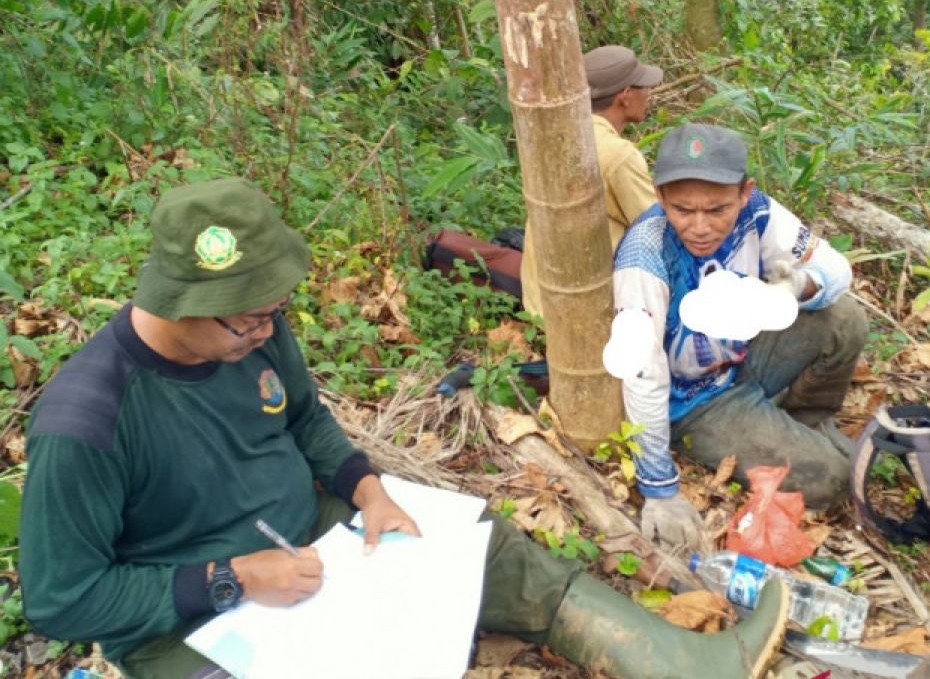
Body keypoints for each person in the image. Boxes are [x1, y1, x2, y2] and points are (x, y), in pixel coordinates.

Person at [19, 177, 789, 679]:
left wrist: (368, 490)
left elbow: (306, 422)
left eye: (271, 312)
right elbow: (63, 601)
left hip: (307, 536)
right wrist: (230, 579)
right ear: (181, 303)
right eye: (249, 318)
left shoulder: (255, 328)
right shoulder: (87, 421)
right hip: (187, 616)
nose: (266, 331)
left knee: (477, 543)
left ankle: (684, 664)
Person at [613, 124, 868, 551]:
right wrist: (659, 488)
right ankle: (760, 436)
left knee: (844, 317)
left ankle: (805, 421)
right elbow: (643, 373)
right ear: (659, 197)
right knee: (836, 481)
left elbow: (836, 268)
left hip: (741, 358)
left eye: (716, 210)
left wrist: (799, 286)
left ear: (744, 192)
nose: (698, 226)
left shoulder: (759, 213)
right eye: (682, 210)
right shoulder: (645, 253)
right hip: (694, 402)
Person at [521, 44, 663, 318]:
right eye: (643, 87)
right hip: (589, 310)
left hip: (539, 303)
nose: (648, 94)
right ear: (625, 95)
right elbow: (655, 229)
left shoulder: (550, 140)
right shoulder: (618, 155)